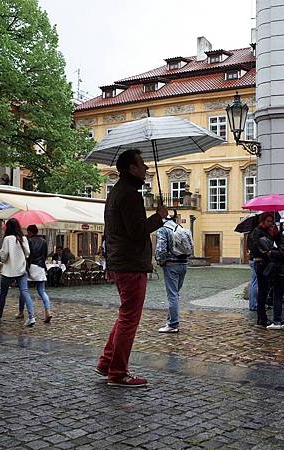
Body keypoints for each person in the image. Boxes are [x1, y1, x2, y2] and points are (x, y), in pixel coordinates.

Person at [94, 149, 167, 387]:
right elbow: (136, 231)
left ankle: (106, 362)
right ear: (130, 168)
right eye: (141, 164)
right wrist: (159, 217)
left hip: (121, 261)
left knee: (124, 315)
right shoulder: (130, 195)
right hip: (131, 263)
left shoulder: (116, 192)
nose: (146, 169)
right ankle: (117, 372)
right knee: (129, 319)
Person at [0, 218, 36, 327]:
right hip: (21, 270)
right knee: (25, 292)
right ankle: (31, 317)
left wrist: (4, 257)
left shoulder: (7, 239)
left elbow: (3, 256)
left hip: (8, 271)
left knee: (3, 294)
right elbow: (28, 253)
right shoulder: (23, 238)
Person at [154, 215, 192, 333]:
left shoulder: (163, 230)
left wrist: (160, 261)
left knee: (172, 295)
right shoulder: (179, 228)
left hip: (171, 265)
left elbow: (161, 249)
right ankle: (170, 320)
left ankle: (172, 324)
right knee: (175, 294)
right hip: (183, 264)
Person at [247, 212, 277, 327]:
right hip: (261, 263)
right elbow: (257, 248)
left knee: (264, 291)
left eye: (271, 221)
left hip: (265, 263)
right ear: (262, 221)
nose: (270, 223)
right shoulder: (257, 232)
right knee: (262, 291)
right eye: (268, 221)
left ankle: (262, 318)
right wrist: (268, 253)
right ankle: (262, 318)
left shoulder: (265, 231)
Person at [17, 225, 52, 323]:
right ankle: (48, 311)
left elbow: (27, 254)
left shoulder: (28, 240)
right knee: (42, 291)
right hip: (40, 267)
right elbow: (45, 255)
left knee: (23, 290)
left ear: (30, 232)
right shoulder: (44, 241)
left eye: (28, 232)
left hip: (30, 267)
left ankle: (21, 312)